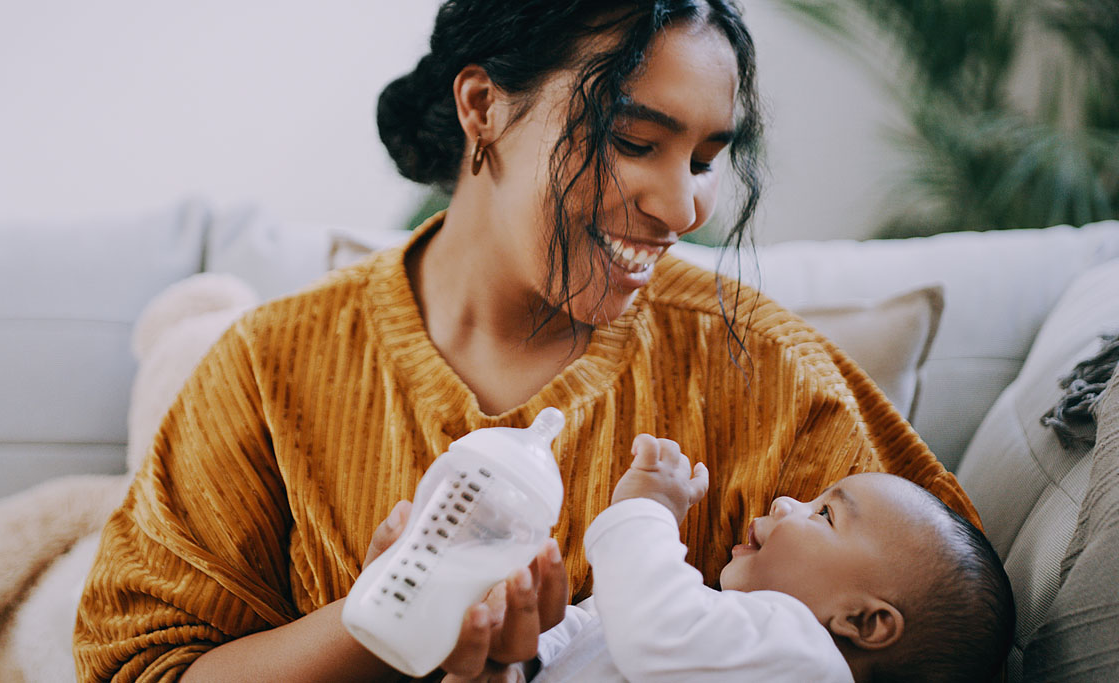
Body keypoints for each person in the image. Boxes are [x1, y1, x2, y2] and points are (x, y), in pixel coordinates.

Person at [74, 1, 982, 681]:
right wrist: (387, 616)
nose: (682, 208)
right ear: (483, 107)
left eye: (705, 159)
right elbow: (140, 665)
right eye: (633, 140)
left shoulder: (761, 369)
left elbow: (947, 624)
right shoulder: (272, 367)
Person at [474, 435, 1012, 682]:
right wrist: (524, 650)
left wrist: (646, 510)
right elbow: (603, 629)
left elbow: (653, 628)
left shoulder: (804, 660)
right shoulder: (719, 619)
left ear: (863, 621)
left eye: (824, 514)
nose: (785, 501)